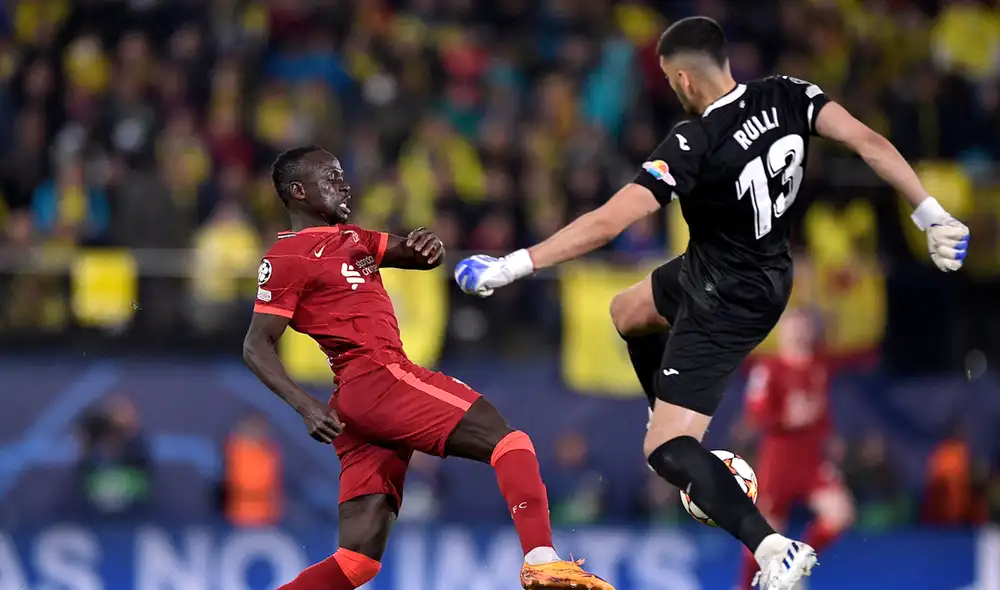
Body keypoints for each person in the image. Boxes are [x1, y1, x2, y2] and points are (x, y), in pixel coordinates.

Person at [454, 16, 969, 590]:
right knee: (627, 310)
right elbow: (867, 141)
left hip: (727, 297)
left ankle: (775, 547)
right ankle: (666, 413)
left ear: (682, 80)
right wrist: (929, 211)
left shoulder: (693, 141)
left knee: (667, 450)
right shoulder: (789, 92)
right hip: (751, 267)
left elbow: (606, 223)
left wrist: (513, 264)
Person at [242, 146, 613, 590]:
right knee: (508, 440)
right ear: (298, 192)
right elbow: (255, 345)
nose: (344, 184)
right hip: (379, 378)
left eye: (343, 175)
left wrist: (426, 246)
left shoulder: (354, 238)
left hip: (358, 405)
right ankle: (542, 560)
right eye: (331, 177)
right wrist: (304, 405)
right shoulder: (287, 257)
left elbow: (415, 254)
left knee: (357, 561)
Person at [738, 309, 855, 589]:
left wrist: (830, 437)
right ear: (781, 333)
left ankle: (795, 563)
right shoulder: (768, 369)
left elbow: (822, 412)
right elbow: (755, 415)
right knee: (766, 535)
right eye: (792, 328)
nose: (798, 334)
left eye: (803, 328)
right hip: (779, 461)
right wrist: (786, 419)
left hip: (812, 459)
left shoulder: (818, 367)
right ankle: (742, 586)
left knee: (841, 513)